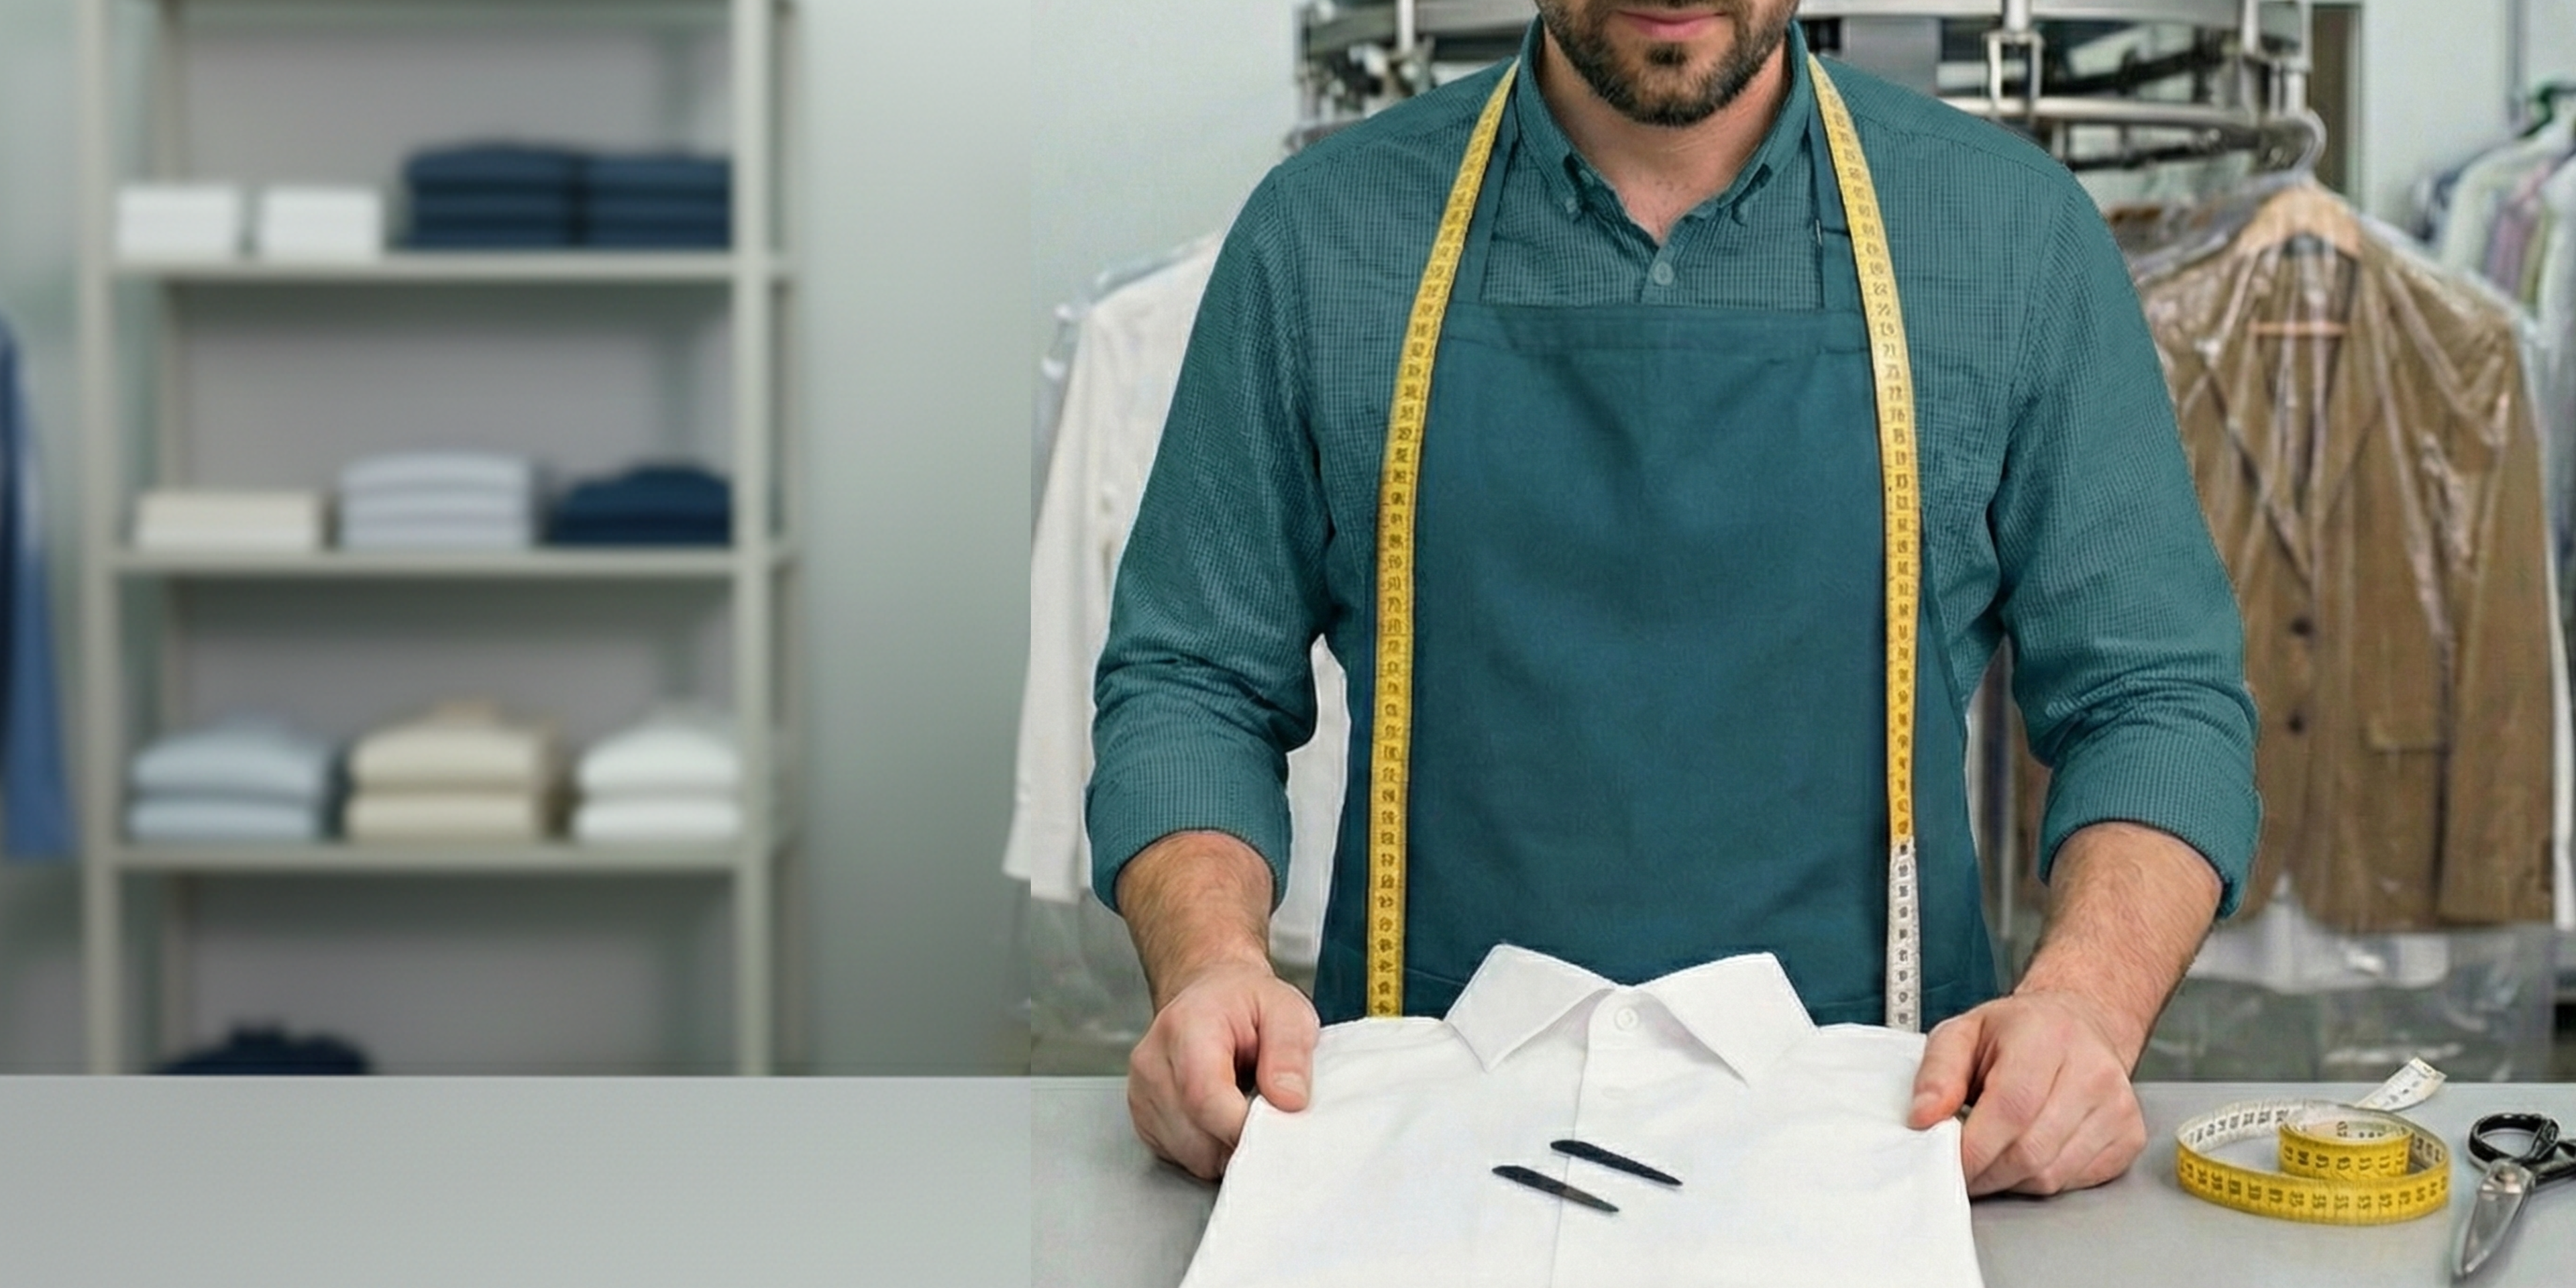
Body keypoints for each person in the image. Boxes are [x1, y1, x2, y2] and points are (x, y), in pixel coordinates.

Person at [1086, 0, 2259, 1199]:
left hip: (1895, 1141)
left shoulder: (2010, 237)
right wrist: (1207, 968)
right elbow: (1194, 680)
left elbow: (2154, 700)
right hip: (1414, 1147)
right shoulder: (1318, 240)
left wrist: (2083, 1011)